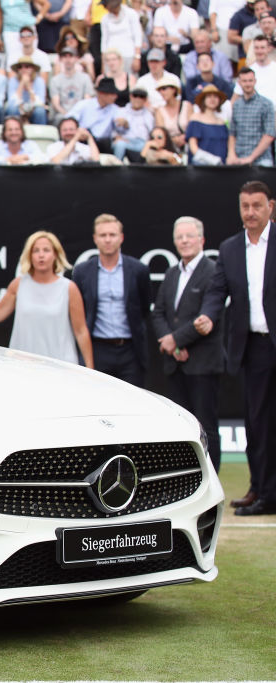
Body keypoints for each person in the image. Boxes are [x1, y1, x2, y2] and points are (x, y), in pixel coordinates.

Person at [196, 180, 276, 515]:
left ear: (270, 206)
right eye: (245, 206)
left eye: (257, 205)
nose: (250, 212)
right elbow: (217, 291)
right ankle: (261, 490)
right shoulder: (229, 248)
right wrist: (208, 316)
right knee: (258, 424)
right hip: (254, 348)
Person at [151, 216, 224, 473]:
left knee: (207, 426)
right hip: (175, 364)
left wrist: (175, 340)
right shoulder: (172, 274)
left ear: (201, 240)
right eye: (179, 237)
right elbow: (158, 312)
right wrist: (172, 345)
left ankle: (212, 481)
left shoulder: (214, 271)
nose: (184, 241)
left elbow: (206, 317)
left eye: (189, 236)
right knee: (181, 430)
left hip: (203, 364)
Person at [0, 230, 93, 366]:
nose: (41, 255)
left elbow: (81, 331)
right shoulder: (19, 284)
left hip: (61, 367)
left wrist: (89, 368)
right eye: (36, 251)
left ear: (56, 254)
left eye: (46, 250)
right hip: (22, 366)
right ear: (30, 255)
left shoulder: (68, 288)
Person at [72, 213, 152, 387]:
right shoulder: (82, 272)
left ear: (121, 238)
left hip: (131, 351)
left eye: (112, 235)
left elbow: (144, 308)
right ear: (95, 239)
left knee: (133, 404)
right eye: (103, 235)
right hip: (98, 349)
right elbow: (80, 312)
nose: (108, 240)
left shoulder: (138, 270)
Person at [228, 66, 276, 165]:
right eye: (244, 81)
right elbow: (232, 133)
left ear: (255, 81)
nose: (248, 84)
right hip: (239, 157)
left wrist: (251, 158)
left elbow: (269, 134)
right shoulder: (236, 105)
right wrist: (231, 154)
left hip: (262, 159)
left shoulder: (266, 104)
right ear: (239, 83)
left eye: (250, 80)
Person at [67, 75, 119, 152]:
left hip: (103, 144)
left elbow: (120, 127)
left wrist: (123, 124)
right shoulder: (84, 104)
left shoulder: (115, 109)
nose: (115, 97)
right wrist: (77, 130)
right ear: (101, 94)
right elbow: (69, 119)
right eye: (112, 94)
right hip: (83, 139)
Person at [187, 84, 230, 164]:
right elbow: (193, 146)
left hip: (221, 167)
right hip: (202, 167)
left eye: (215, 96)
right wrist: (211, 160)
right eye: (209, 96)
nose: (212, 99)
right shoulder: (196, 118)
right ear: (204, 99)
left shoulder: (222, 122)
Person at [111, 86, 154, 161]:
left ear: (145, 99)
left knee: (147, 146)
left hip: (142, 142)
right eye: (135, 96)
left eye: (141, 96)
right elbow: (113, 130)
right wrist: (123, 128)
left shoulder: (149, 115)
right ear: (130, 96)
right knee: (119, 144)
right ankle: (116, 168)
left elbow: (152, 133)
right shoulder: (121, 111)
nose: (137, 99)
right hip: (125, 140)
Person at [99, 0, 143, 72]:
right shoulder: (105, 19)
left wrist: (137, 57)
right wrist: (103, 63)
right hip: (111, 57)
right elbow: (104, 41)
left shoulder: (131, 14)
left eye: (106, 5)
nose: (105, 7)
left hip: (129, 54)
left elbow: (137, 36)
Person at [5, 54, 48, 124]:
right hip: (18, 110)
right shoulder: (13, 81)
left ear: (33, 69)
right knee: (12, 109)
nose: (23, 69)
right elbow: (12, 102)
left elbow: (40, 103)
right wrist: (22, 83)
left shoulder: (39, 81)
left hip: (33, 110)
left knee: (40, 111)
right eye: (20, 67)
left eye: (27, 66)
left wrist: (28, 87)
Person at [154, 74, 190, 150]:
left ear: (174, 89)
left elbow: (193, 128)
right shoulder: (159, 110)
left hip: (188, 144)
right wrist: (174, 140)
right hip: (169, 147)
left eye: (164, 89)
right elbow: (160, 134)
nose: (162, 92)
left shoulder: (187, 106)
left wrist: (185, 137)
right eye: (159, 90)